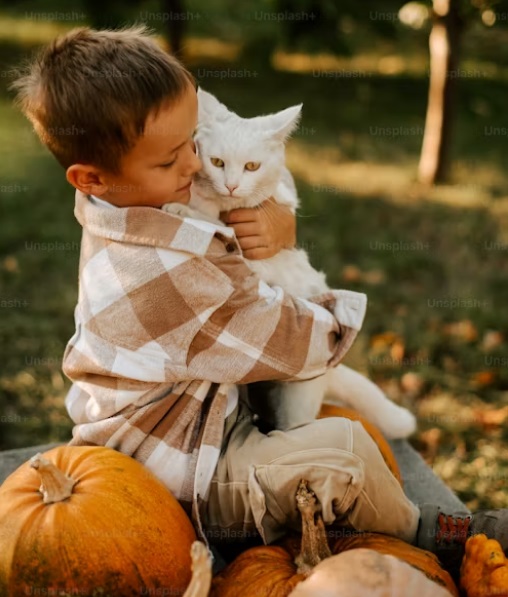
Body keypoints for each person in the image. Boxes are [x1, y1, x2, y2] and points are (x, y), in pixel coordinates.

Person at [11, 25, 508, 576]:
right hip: (182, 477)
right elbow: (296, 343)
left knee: (326, 422)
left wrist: (276, 217)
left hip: (177, 422)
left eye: (192, 145)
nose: (195, 167)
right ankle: (440, 535)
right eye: (171, 159)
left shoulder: (120, 204)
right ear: (92, 177)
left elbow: (250, 148)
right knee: (342, 451)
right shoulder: (166, 274)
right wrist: (331, 309)